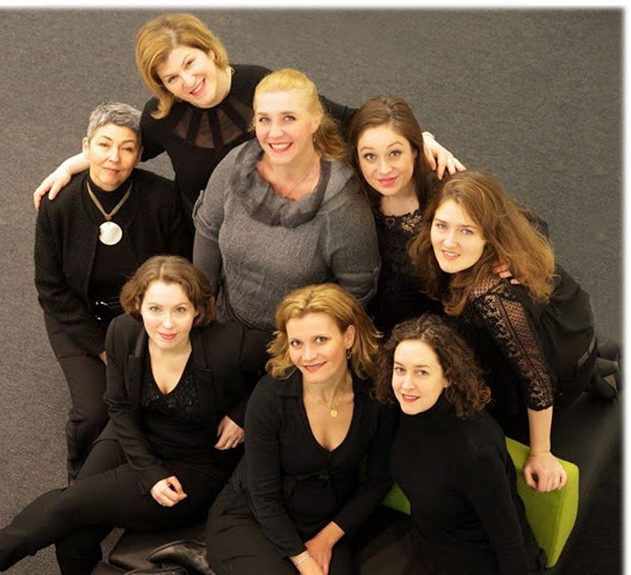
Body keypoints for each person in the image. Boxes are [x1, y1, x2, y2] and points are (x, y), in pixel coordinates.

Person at [98, 283, 398, 575]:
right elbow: (264, 497)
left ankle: (213, 567)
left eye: (320, 340)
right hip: (252, 517)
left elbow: (377, 482)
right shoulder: (271, 397)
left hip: (323, 525)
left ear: (349, 336)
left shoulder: (377, 396)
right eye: (296, 343)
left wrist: (325, 540)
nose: (307, 356)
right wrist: (309, 569)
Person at [0, 256, 269, 575]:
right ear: (138, 305)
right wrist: (148, 471)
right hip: (133, 435)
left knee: (72, 506)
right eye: (155, 309)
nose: (167, 324)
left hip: (192, 465)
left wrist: (242, 414)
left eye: (180, 310)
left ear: (197, 310)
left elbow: (290, 361)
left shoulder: (228, 343)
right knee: (74, 535)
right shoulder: (123, 332)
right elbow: (119, 406)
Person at [32, 12, 463, 226]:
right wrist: (70, 164)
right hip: (211, 236)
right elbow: (125, 151)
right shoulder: (162, 116)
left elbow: (346, 118)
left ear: (208, 50)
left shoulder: (260, 83)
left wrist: (417, 136)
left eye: (190, 63)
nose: (187, 82)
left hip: (287, 224)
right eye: (171, 78)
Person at [352, 313, 553, 575]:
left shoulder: (474, 450)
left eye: (422, 372)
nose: (406, 384)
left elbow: (511, 547)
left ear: (448, 377)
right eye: (400, 369)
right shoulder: (401, 412)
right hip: (435, 560)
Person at [408, 170, 618, 493]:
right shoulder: (484, 233)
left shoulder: (490, 293)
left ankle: (593, 373)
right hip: (549, 327)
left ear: (489, 236)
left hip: (556, 367)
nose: (448, 242)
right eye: (442, 225)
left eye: (466, 231)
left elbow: (538, 382)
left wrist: (541, 453)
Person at [35, 101, 192, 481]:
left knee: (156, 402)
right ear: (86, 147)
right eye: (104, 145)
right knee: (93, 411)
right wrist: (103, 347)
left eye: (127, 148)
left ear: (140, 155)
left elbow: (182, 269)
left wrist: (145, 330)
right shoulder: (59, 204)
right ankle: (79, 481)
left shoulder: (163, 198)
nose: (114, 158)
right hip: (77, 319)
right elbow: (51, 288)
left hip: (145, 319)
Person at [193, 68, 383, 332]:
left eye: (289, 118)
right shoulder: (235, 164)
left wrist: (309, 340)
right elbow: (208, 231)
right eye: (264, 119)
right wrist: (204, 304)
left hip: (295, 342)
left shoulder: (342, 202)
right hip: (226, 323)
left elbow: (357, 287)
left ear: (315, 121)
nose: (274, 133)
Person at [347, 95, 442, 335]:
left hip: (436, 337)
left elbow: (520, 224)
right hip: (372, 333)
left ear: (415, 150)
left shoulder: (444, 193)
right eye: (370, 156)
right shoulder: (352, 193)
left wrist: (508, 256)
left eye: (395, 153)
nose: (384, 169)